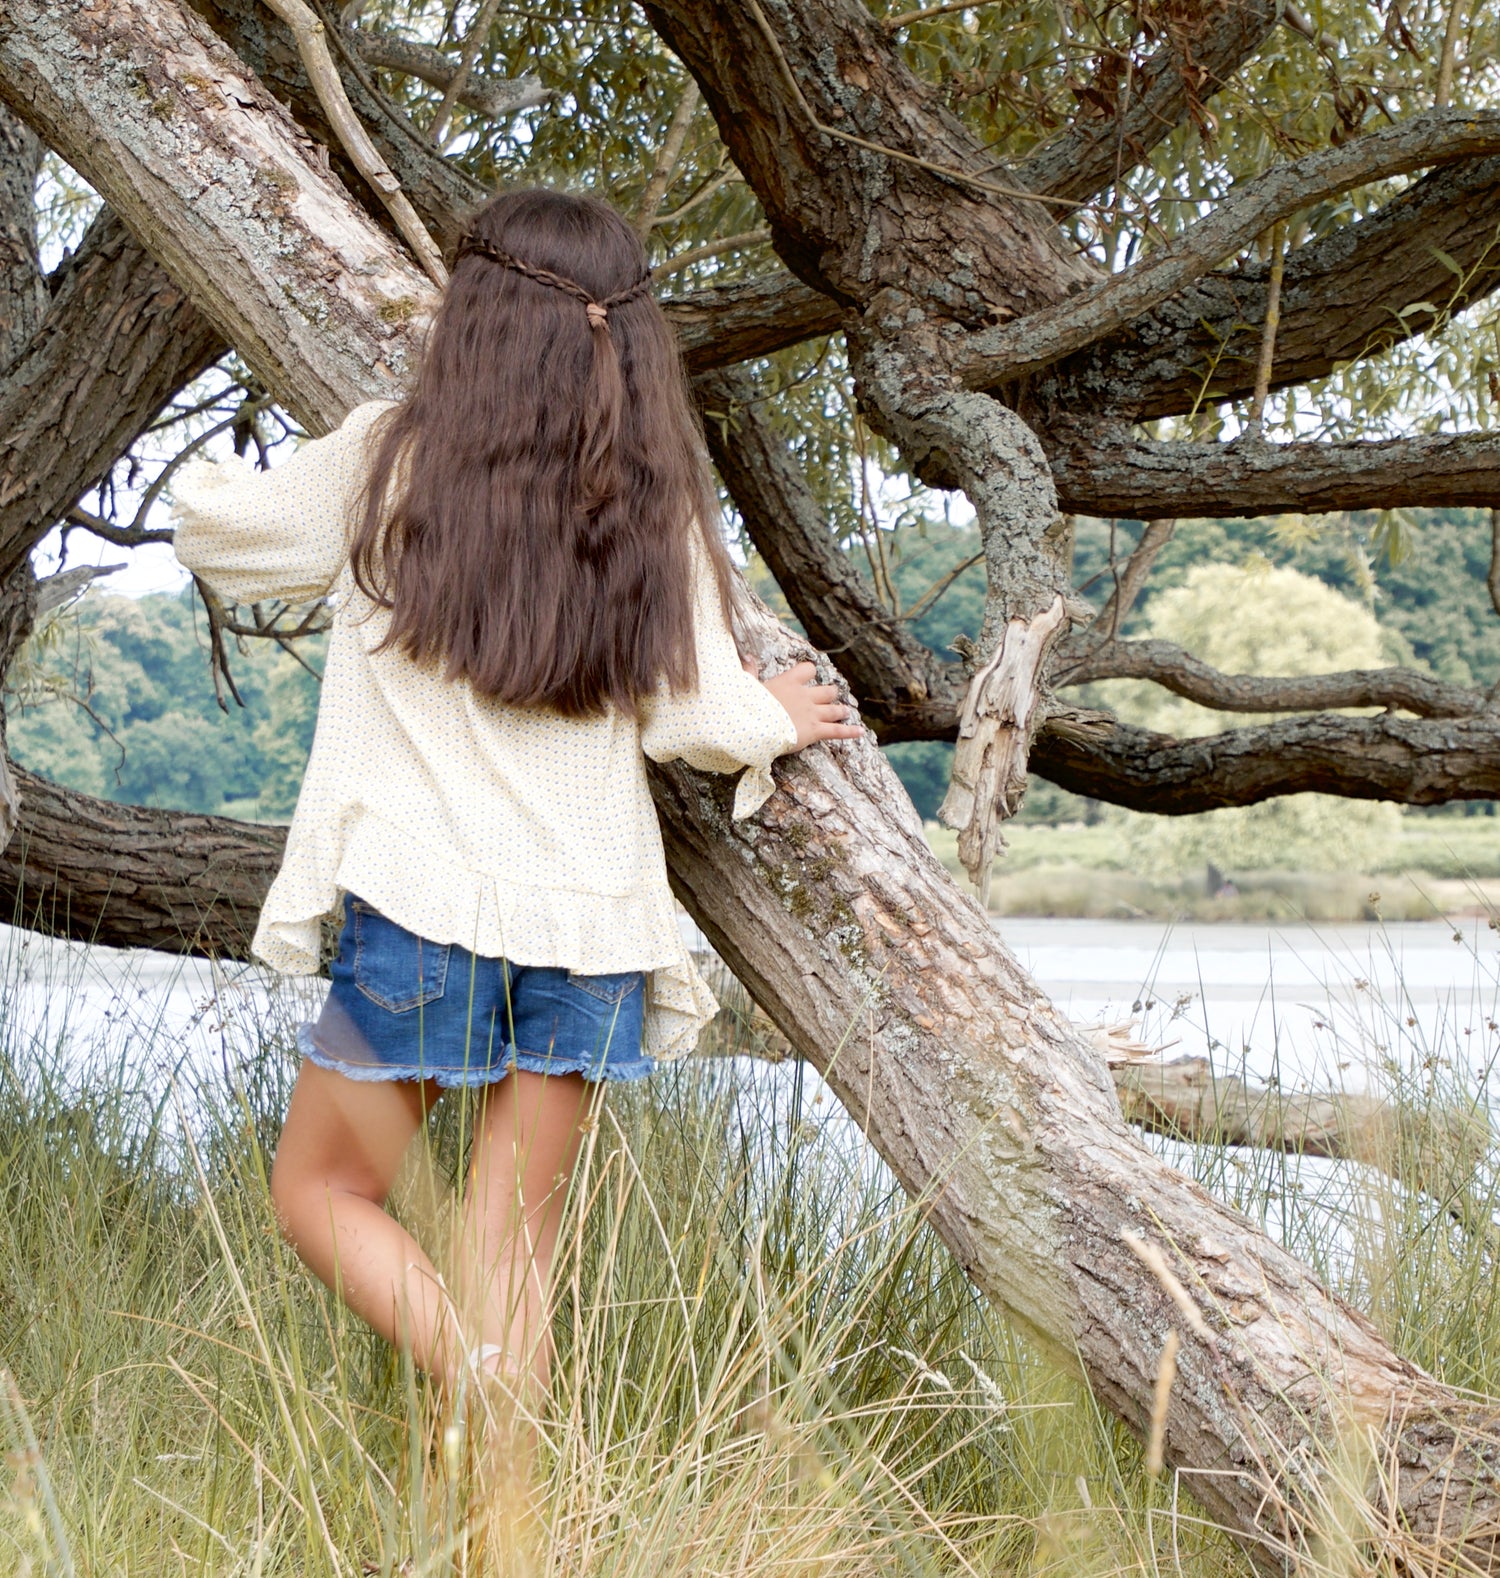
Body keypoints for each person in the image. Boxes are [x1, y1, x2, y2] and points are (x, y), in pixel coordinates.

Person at [172, 187, 861, 1405]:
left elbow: (217, 532)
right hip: (591, 928)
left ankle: (476, 1379)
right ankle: (518, 1502)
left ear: (476, 315)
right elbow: (695, 718)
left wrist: (311, 471)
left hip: (421, 907)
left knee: (321, 1197)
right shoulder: (653, 505)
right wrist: (779, 718)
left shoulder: (391, 458)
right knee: (510, 1258)